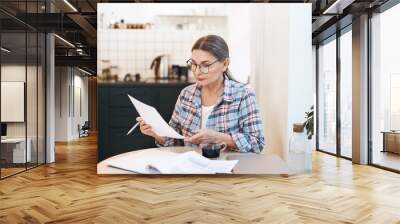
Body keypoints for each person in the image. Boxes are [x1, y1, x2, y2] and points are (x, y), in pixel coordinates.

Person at [137, 35, 265, 153]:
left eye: (206, 65)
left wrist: (218, 137)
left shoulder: (243, 95)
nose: (197, 71)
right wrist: (156, 133)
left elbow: (257, 143)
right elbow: (174, 141)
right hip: (191, 169)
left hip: (228, 171)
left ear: (225, 64)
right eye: (194, 64)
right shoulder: (186, 94)